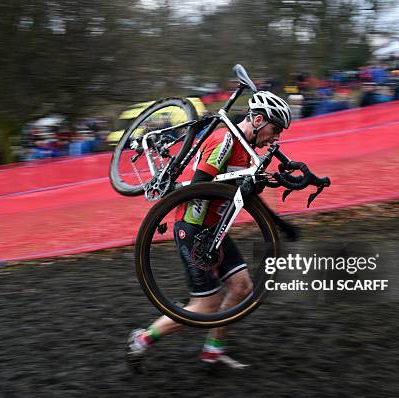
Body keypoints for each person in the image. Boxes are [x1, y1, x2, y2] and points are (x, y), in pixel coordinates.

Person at [126, 91, 295, 373]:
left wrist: (280, 223)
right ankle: (141, 339)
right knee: (205, 306)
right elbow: (199, 186)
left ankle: (212, 352)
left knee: (241, 287)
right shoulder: (225, 140)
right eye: (274, 129)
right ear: (256, 119)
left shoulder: (247, 150)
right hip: (193, 229)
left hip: (214, 230)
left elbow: (246, 196)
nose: (276, 138)